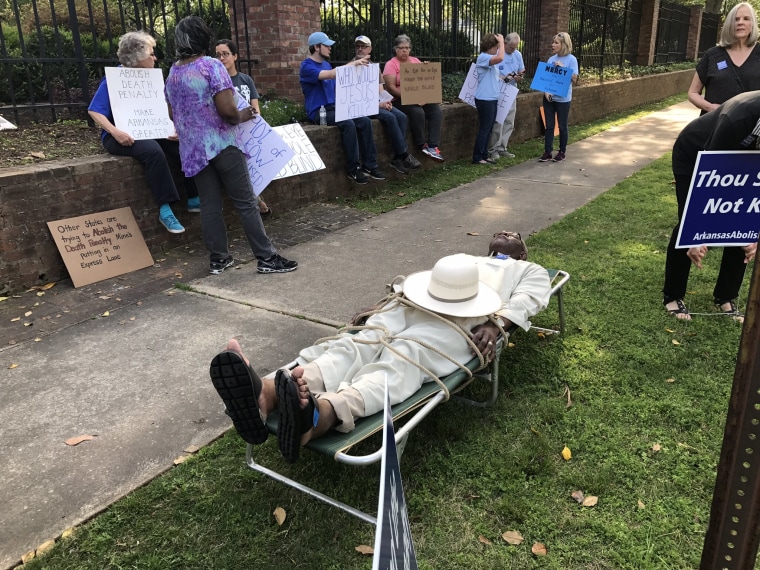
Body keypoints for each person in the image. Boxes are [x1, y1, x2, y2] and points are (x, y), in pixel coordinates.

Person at [209, 231, 551, 463]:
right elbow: (424, 281)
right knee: (360, 341)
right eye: (501, 231)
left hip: (467, 322)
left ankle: (320, 416)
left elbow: (529, 298)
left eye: (514, 235)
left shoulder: (528, 269)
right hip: (416, 304)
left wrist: (497, 324)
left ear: (521, 250)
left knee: (405, 358)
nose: (505, 233)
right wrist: (380, 305)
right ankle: (267, 394)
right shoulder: (464, 257)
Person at [164, 16, 297, 275]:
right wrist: (242, 115)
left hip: (193, 151)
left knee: (210, 204)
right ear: (203, 38)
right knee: (246, 201)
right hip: (222, 143)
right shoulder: (211, 66)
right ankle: (267, 258)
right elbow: (227, 110)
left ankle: (219, 259)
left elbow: (172, 113)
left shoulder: (174, 71)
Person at [88, 31, 199, 235]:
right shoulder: (114, 79)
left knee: (181, 145)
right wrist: (115, 132)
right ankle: (165, 209)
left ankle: (194, 197)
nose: (155, 58)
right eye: (151, 54)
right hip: (119, 136)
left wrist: (172, 127)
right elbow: (94, 110)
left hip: (150, 128)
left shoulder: (152, 78)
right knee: (153, 151)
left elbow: (163, 108)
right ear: (137, 57)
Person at [662, 90, 760, 321]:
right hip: (695, 153)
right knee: (688, 220)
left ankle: (726, 297)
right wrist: (698, 234)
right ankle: (672, 295)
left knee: (742, 225)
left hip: (746, 158)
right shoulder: (737, 117)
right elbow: (710, 179)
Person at [299, 31, 385, 185]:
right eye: (327, 46)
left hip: (335, 107)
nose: (330, 49)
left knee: (364, 121)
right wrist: (354, 64)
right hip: (319, 112)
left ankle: (370, 165)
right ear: (317, 47)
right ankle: (353, 169)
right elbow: (331, 75)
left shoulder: (326, 64)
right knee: (348, 123)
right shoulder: (306, 66)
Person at [214, 39, 271, 219]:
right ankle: (257, 201)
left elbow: (256, 107)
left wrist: (256, 118)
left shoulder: (245, 80)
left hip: (249, 131)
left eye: (225, 54)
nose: (222, 58)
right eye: (218, 55)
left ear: (235, 56)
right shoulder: (216, 82)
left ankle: (257, 199)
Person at [353, 35, 422, 175]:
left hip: (376, 103)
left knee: (401, 116)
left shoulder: (373, 67)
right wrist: (379, 104)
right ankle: (403, 154)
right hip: (362, 106)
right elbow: (355, 96)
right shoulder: (350, 67)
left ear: (370, 49)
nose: (360, 49)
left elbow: (380, 90)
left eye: (364, 46)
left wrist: (386, 101)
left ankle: (397, 159)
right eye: (358, 46)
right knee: (390, 118)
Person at [687, 2, 760, 115]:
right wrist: (710, 107)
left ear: (753, 24)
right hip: (715, 126)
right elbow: (692, 93)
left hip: (751, 128)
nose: (740, 22)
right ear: (729, 24)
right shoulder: (712, 55)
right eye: (736, 19)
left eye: (746, 18)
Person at [383, 34, 445, 162]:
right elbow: (391, 88)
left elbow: (423, 81)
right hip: (399, 100)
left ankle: (433, 146)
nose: (404, 50)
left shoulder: (416, 61)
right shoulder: (391, 64)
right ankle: (421, 144)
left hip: (419, 99)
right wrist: (410, 97)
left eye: (407, 47)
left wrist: (426, 67)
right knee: (417, 112)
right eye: (401, 48)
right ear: (396, 49)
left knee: (436, 111)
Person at [538, 32, 578, 163]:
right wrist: (546, 91)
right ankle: (547, 152)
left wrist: (563, 69)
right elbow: (547, 79)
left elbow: (575, 79)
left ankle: (562, 152)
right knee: (549, 125)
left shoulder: (572, 60)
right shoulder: (551, 59)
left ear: (564, 45)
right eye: (553, 42)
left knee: (562, 126)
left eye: (556, 43)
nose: (553, 45)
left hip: (563, 99)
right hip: (550, 98)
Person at [488, 32, 525, 161]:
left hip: (512, 91)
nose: (513, 50)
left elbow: (521, 71)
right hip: (498, 90)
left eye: (515, 47)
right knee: (499, 121)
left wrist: (519, 77)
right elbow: (492, 74)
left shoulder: (518, 55)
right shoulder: (497, 54)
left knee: (509, 121)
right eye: (511, 47)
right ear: (505, 43)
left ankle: (502, 147)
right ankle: (493, 149)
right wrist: (505, 77)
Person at [472, 33, 505, 165]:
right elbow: (501, 58)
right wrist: (502, 42)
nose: (498, 49)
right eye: (497, 47)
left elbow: (493, 77)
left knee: (489, 128)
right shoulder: (483, 57)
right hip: (484, 98)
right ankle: (477, 157)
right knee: (484, 129)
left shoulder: (490, 58)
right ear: (491, 47)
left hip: (491, 97)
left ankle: (484, 155)